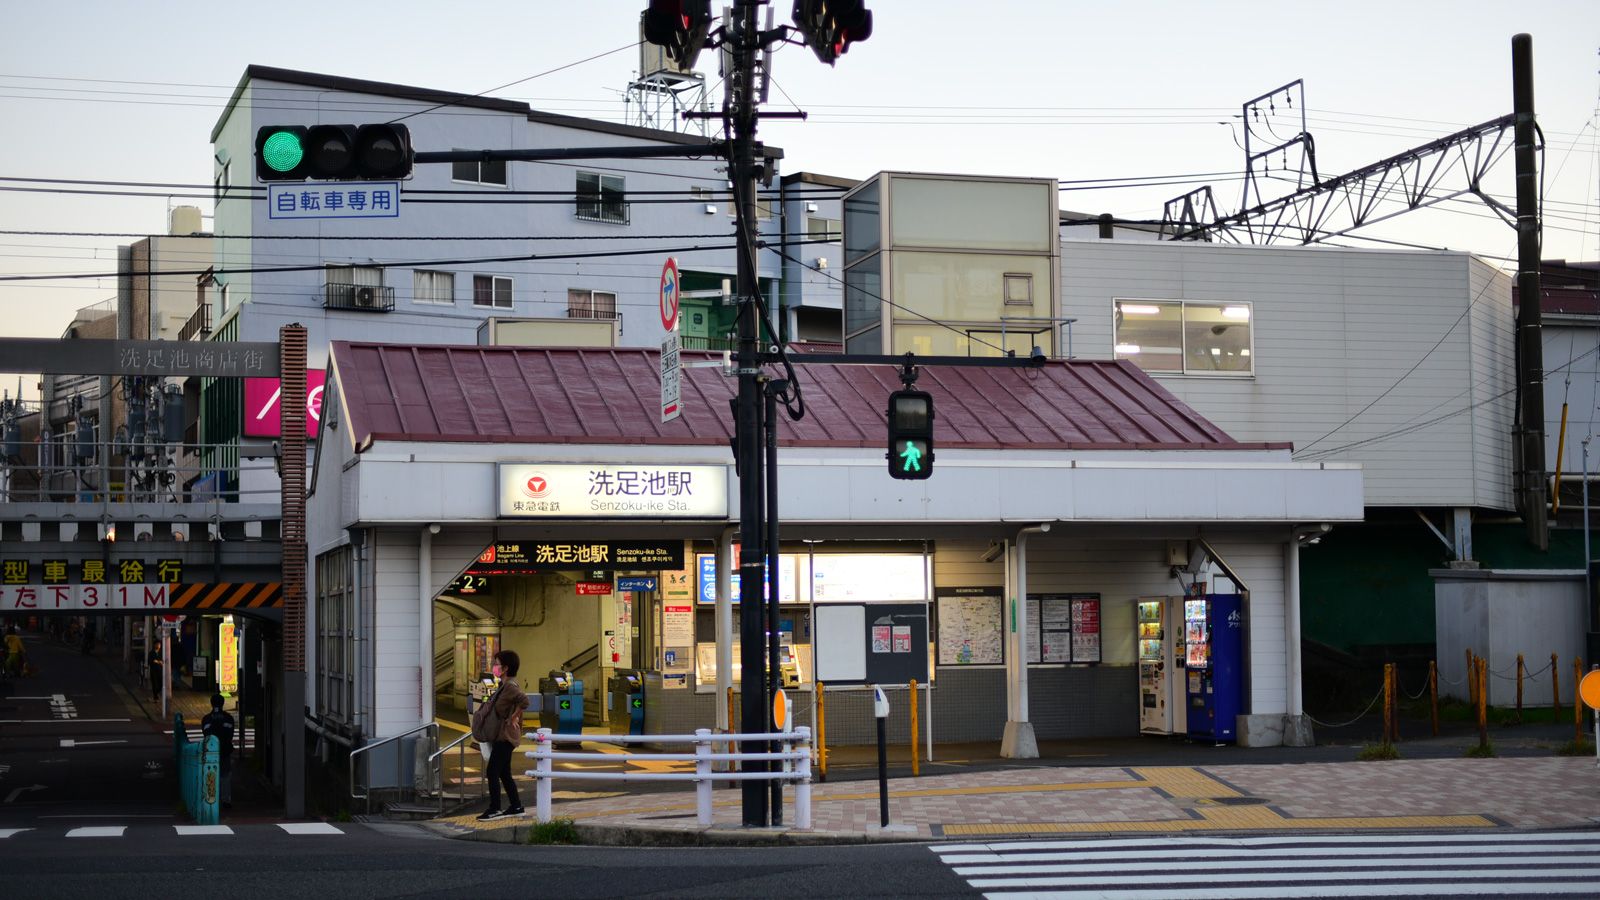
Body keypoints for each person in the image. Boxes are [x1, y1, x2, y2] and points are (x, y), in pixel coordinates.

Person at [477, 650, 529, 821]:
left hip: (506, 737)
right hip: (502, 736)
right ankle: (516, 806)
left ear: (506, 668)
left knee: (492, 771)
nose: (494, 667)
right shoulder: (503, 685)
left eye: (497, 663)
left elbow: (525, 701)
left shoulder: (510, 686)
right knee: (504, 772)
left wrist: (514, 717)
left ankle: (495, 808)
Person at [200, 694, 237, 809]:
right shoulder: (228, 718)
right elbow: (230, 734)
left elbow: (206, 734)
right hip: (225, 751)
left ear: (211, 703)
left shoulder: (207, 719)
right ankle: (226, 800)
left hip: (210, 751)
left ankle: (210, 799)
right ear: (223, 703)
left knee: (210, 774)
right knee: (225, 775)